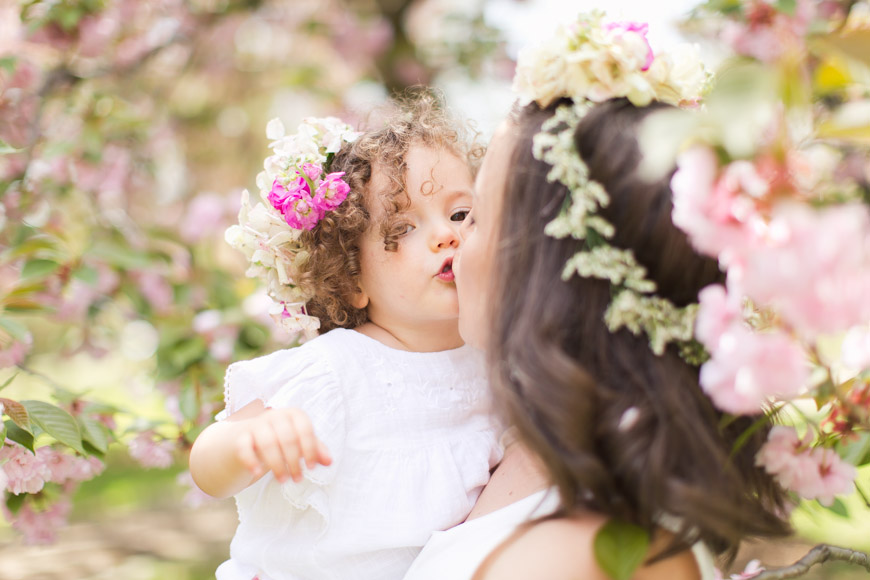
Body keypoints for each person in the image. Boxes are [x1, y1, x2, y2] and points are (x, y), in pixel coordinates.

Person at [404, 14, 790, 580]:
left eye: (475, 217)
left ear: (544, 266)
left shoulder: (574, 558)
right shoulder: (516, 453)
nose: (455, 248)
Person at [189, 95, 502, 580]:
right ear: (352, 279)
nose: (447, 235)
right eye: (402, 227)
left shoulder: (493, 367)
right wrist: (248, 440)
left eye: (462, 214)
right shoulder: (337, 370)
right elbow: (208, 465)